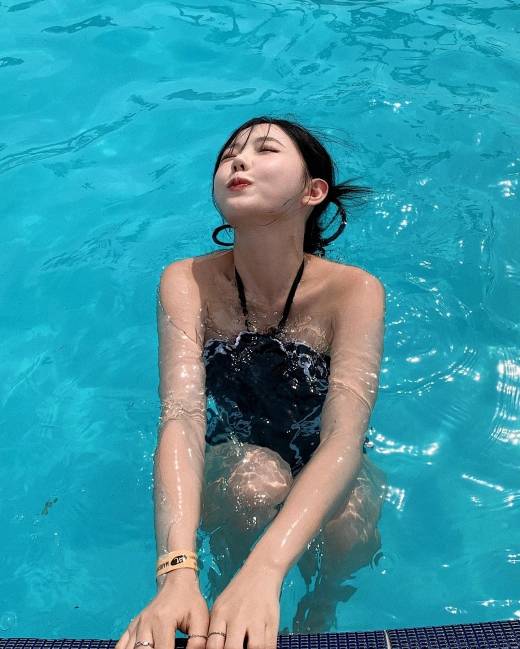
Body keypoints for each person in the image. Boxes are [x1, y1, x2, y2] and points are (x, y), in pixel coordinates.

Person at [115, 116, 388, 649]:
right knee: (254, 481)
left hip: (321, 451)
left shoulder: (354, 292)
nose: (238, 160)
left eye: (265, 150)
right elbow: (182, 418)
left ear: (313, 192)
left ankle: (320, 605)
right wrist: (176, 572)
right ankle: (219, 599)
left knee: (351, 526)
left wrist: (269, 571)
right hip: (234, 453)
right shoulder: (187, 281)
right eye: (229, 155)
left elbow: (344, 437)